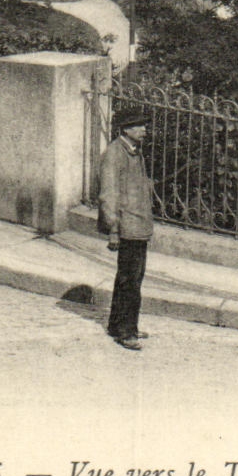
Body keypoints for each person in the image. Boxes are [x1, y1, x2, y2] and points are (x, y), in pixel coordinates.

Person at [99, 105, 154, 350]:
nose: (144, 130)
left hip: (138, 224)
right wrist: (113, 229)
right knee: (129, 280)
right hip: (127, 226)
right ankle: (125, 331)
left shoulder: (134, 151)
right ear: (126, 128)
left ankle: (118, 324)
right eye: (138, 125)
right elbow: (108, 194)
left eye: (144, 125)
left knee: (132, 278)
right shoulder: (115, 153)